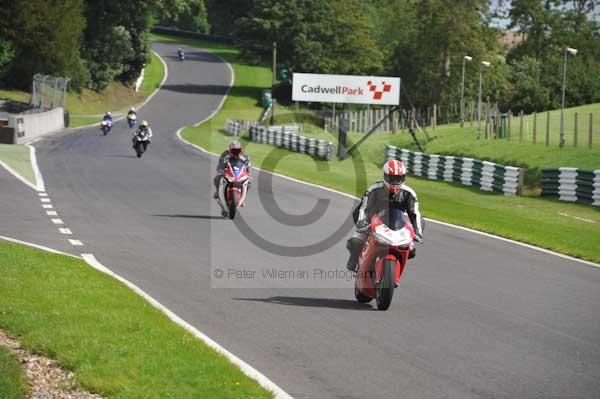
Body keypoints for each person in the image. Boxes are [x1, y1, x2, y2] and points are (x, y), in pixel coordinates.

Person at [346, 159, 423, 272]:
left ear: (404, 177)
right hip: (373, 223)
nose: (395, 181)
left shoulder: (409, 193)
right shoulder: (374, 189)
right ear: (385, 176)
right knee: (355, 242)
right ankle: (354, 260)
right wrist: (362, 223)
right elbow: (364, 208)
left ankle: (396, 270)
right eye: (392, 178)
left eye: (398, 178)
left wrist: (418, 232)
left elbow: (414, 213)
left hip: (397, 225)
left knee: (411, 250)